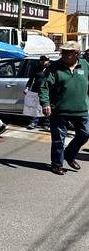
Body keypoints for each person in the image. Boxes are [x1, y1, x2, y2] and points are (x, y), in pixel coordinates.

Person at [39, 41, 89, 175]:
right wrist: (45, 103)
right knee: (58, 139)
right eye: (63, 52)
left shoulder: (84, 65)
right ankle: (56, 164)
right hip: (60, 109)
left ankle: (69, 154)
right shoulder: (54, 67)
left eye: (68, 52)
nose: (64, 54)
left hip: (82, 109)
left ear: (76, 54)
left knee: (85, 134)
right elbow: (44, 87)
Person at [26, 55, 50, 130]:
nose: (43, 61)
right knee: (35, 106)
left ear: (48, 60)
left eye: (45, 60)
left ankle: (46, 123)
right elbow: (31, 78)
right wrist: (27, 88)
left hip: (47, 90)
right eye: (42, 60)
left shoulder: (50, 69)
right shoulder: (36, 68)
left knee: (46, 106)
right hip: (36, 89)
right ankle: (33, 122)